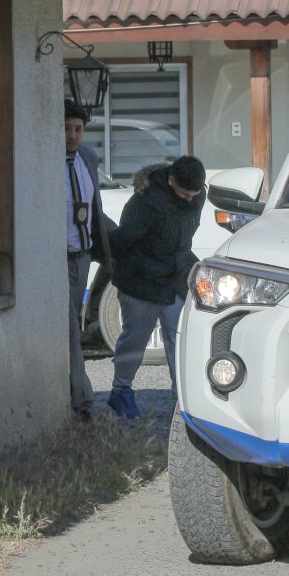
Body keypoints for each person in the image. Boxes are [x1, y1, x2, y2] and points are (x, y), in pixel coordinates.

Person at [105, 156, 206, 418]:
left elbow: (184, 233)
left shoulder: (197, 195)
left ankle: (183, 397)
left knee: (179, 338)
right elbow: (123, 240)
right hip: (140, 281)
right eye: (185, 194)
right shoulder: (145, 201)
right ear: (171, 180)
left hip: (173, 278)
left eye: (193, 195)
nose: (189, 200)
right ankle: (121, 392)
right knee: (134, 340)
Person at [64, 100, 116, 422]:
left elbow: (94, 208)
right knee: (70, 330)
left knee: (72, 327)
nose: (72, 136)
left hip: (82, 256)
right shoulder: (44, 160)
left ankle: (73, 396)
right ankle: (82, 401)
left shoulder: (88, 158)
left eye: (78, 129)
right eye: (66, 129)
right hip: (56, 257)